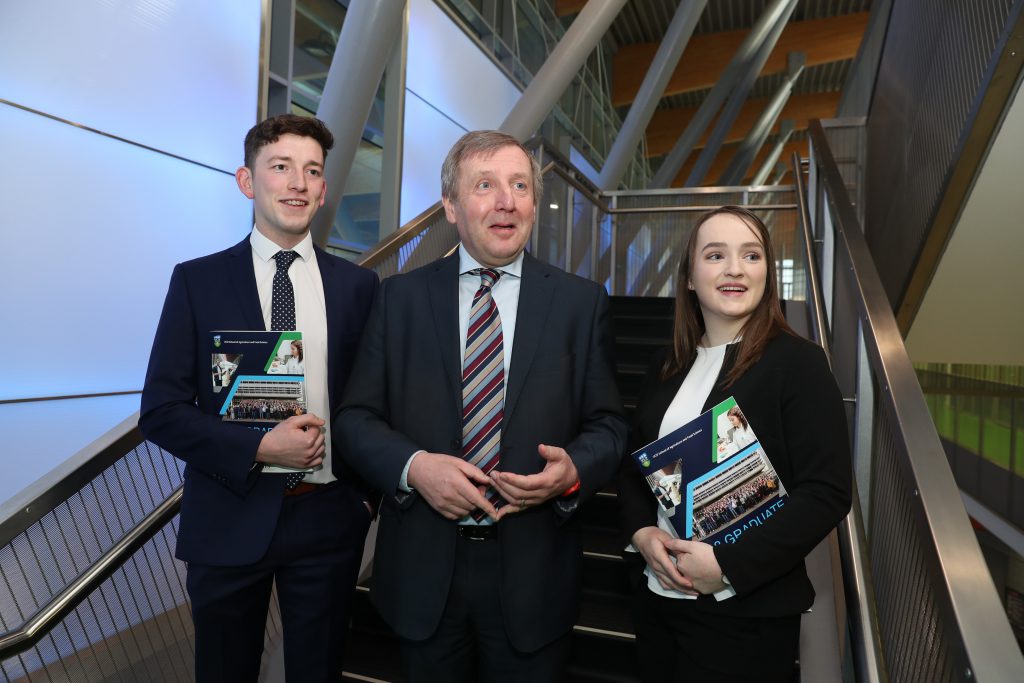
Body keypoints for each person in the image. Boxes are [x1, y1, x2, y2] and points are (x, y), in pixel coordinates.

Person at [335, 130, 628, 682]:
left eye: (520, 185)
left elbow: (609, 425)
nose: (506, 201)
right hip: (423, 572)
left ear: (534, 205)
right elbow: (354, 420)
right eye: (486, 185)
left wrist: (571, 473)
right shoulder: (399, 299)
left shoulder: (579, 303)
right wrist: (414, 467)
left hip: (533, 574)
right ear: (451, 205)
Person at [140, 114, 379, 682]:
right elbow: (161, 411)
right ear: (248, 181)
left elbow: (375, 402)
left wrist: (364, 502)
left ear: (323, 191)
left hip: (328, 520)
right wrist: (258, 447)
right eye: (280, 167)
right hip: (227, 513)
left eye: (311, 171)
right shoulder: (198, 282)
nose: (297, 182)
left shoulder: (358, 287)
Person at [618, 205, 852, 683]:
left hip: (747, 616)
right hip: (658, 599)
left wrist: (725, 565)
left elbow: (827, 493)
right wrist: (643, 534)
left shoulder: (798, 364)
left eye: (751, 255)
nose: (735, 269)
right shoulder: (666, 364)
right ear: (688, 276)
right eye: (715, 255)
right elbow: (633, 466)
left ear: (767, 271)